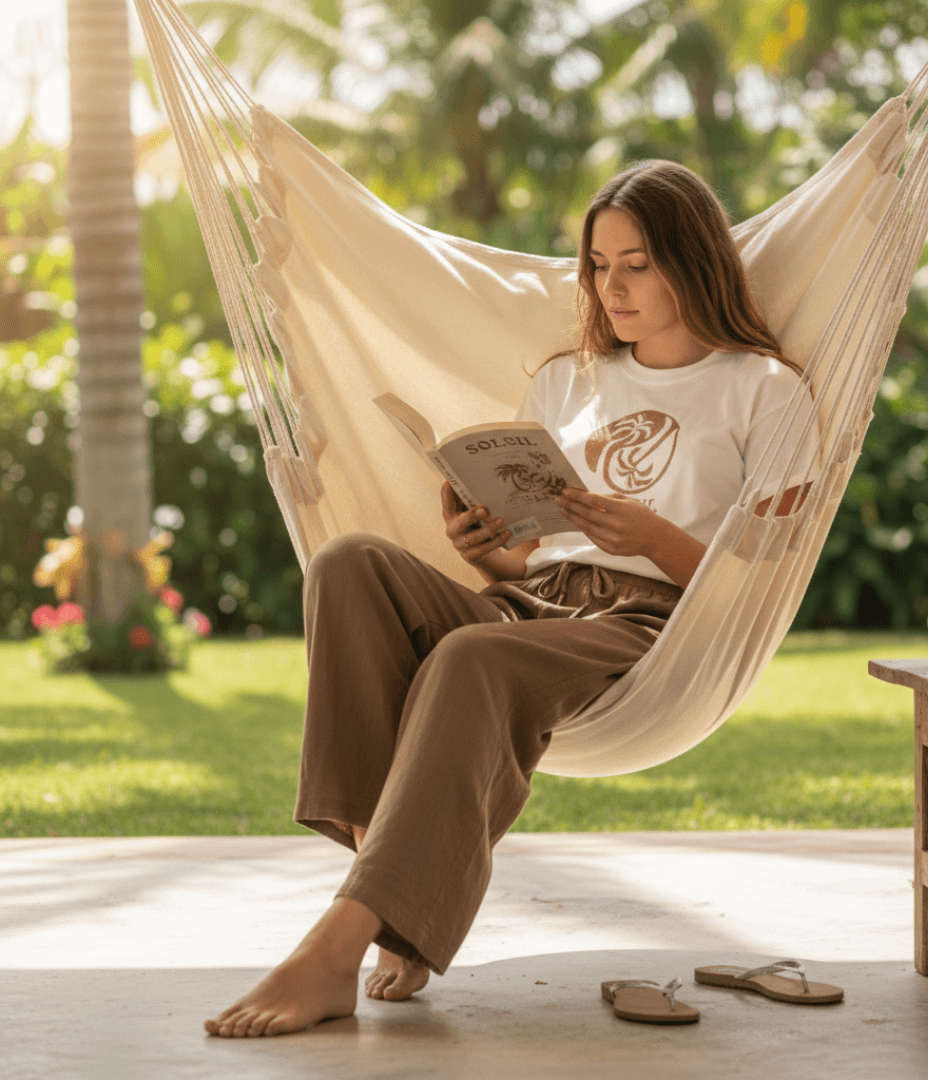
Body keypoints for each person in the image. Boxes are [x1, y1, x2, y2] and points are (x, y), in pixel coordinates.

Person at [204, 159, 815, 1038]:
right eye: (599, 266)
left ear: (694, 261)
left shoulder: (764, 390)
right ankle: (400, 907)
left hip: (652, 627)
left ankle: (342, 942)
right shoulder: (569, 380)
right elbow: (531, 560)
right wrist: (490, 554)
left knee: (470, 654)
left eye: (637, 263)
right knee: (348, 564)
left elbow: (762, 580)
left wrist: (649, 538)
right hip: (535, 603)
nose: (612, 287)